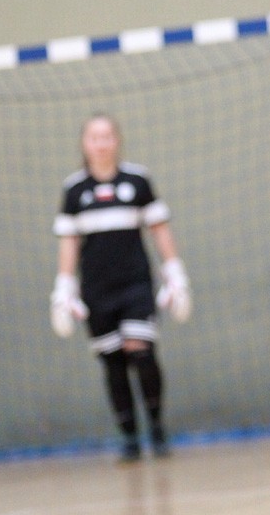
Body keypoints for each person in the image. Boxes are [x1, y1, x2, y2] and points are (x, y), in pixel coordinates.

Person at [51, 114, 191, 463]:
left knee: (141, 351)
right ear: (85, 144)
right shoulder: (74, 190)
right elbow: (68, 242)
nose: (101, 143)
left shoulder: (137, 181)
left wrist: (175, 274)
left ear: (117, 140)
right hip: (97, 289)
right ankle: (129, 437)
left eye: (107, 136)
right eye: (94, 137)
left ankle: (156, 427)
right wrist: (64, 288)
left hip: (135, 284)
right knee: (113, 362)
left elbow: (159, 229)